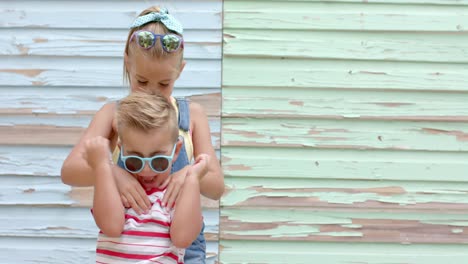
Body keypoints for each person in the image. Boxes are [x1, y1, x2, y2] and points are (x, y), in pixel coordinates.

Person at [61, 6, 224, 263]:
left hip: (185, 247)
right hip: (128, 247)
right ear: (128, 62)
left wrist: (189, 175)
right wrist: (115, 172)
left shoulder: (191, 115)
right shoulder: (113, 115)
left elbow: (216, 187)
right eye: (142, 81)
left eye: (163, 84)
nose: (152, 92)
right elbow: (69, 171)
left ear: (179, 71)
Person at [85, 91, 206, 263]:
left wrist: (192, 178)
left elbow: (183, 238)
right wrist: (102, 166)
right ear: (122, 150)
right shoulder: (117, 189)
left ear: (176, 151)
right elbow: (111, 227)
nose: (146, 170)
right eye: (135, 160)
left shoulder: (177, 192)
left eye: (158, 161)